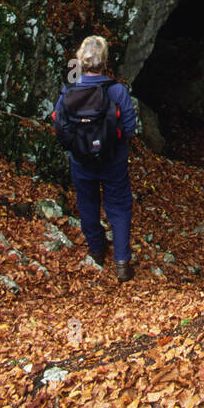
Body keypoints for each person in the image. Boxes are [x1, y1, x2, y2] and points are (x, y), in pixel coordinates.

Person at [52, 35, 137, 282]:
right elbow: (130, 128)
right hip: (113, 160)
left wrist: (77, 146)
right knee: (119, 207)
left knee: (87, 203)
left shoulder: (69, 89)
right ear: (105, 61)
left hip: (81, 161)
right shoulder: (117, 90)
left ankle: (97, 251)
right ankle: (122, 263)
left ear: (81, 61)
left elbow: (59, 125)